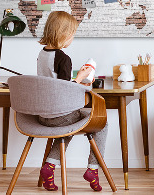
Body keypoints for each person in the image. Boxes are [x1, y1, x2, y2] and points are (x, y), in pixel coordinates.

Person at [37, 11, 107, 192]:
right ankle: (93, 169)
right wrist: (82, 77)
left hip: (43, 115)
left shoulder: (42, 54)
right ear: (63, 34)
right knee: (102, 123)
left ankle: (49, 167)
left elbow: (54, 83)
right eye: (72, 35)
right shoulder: (63, 58)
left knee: (67, 127)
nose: (72, 39)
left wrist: (77, 78)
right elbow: (65, 89)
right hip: (60, 115)